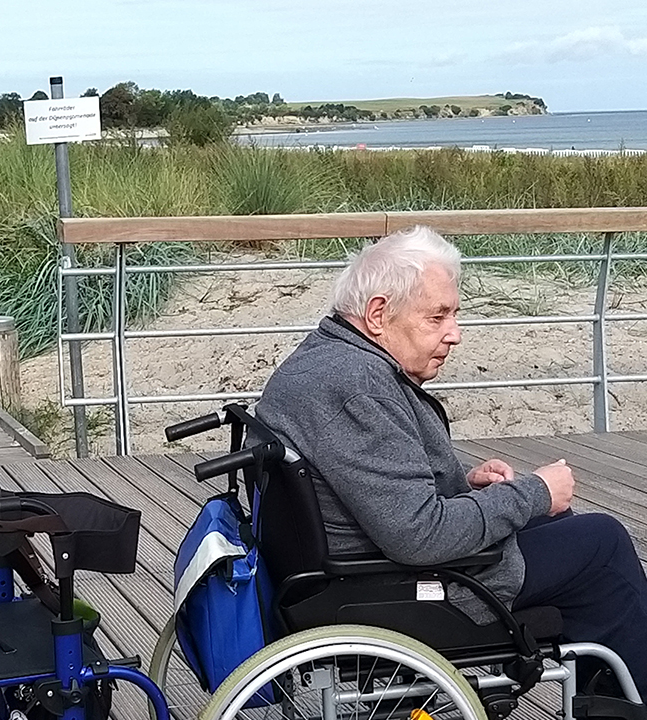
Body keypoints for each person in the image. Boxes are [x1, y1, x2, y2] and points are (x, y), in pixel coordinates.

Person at [253, 224, 647, 695]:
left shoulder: (325, 358)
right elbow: (419, 535)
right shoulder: (356, 388)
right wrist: (535, 490)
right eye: (438, 317)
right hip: (394, 587)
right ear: (378, 313)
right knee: (600, 545)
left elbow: (368, 477)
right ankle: (629, 697)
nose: (454, 334)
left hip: (354, 564)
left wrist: (464, 481)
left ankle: (609, 693)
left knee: (562, 530)